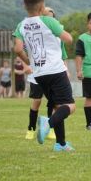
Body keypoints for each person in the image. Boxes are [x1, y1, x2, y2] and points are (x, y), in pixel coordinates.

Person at [13, 0, 75, 152]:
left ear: (24, 6)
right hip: (55, 69)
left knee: (57, 106)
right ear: (41, 5)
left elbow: (18, 49)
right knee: (70, 106)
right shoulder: (48, 21)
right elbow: (68, 39)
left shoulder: (21, 25)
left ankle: (60, 144)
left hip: (39, 73)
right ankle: (48, 123)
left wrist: (29, 62)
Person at [24, 7, 69, 141]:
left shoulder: (58, 35)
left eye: (51, 17)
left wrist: (66, 70)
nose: (49, 19)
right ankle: (31, 129)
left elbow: (63, 54)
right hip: (37, 72)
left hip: (55, 72)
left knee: (54, 103)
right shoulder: (33, 32)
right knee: (37, 101)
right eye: (46, 17)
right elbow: (23, 49)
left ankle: (50, 129)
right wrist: (27, 64)